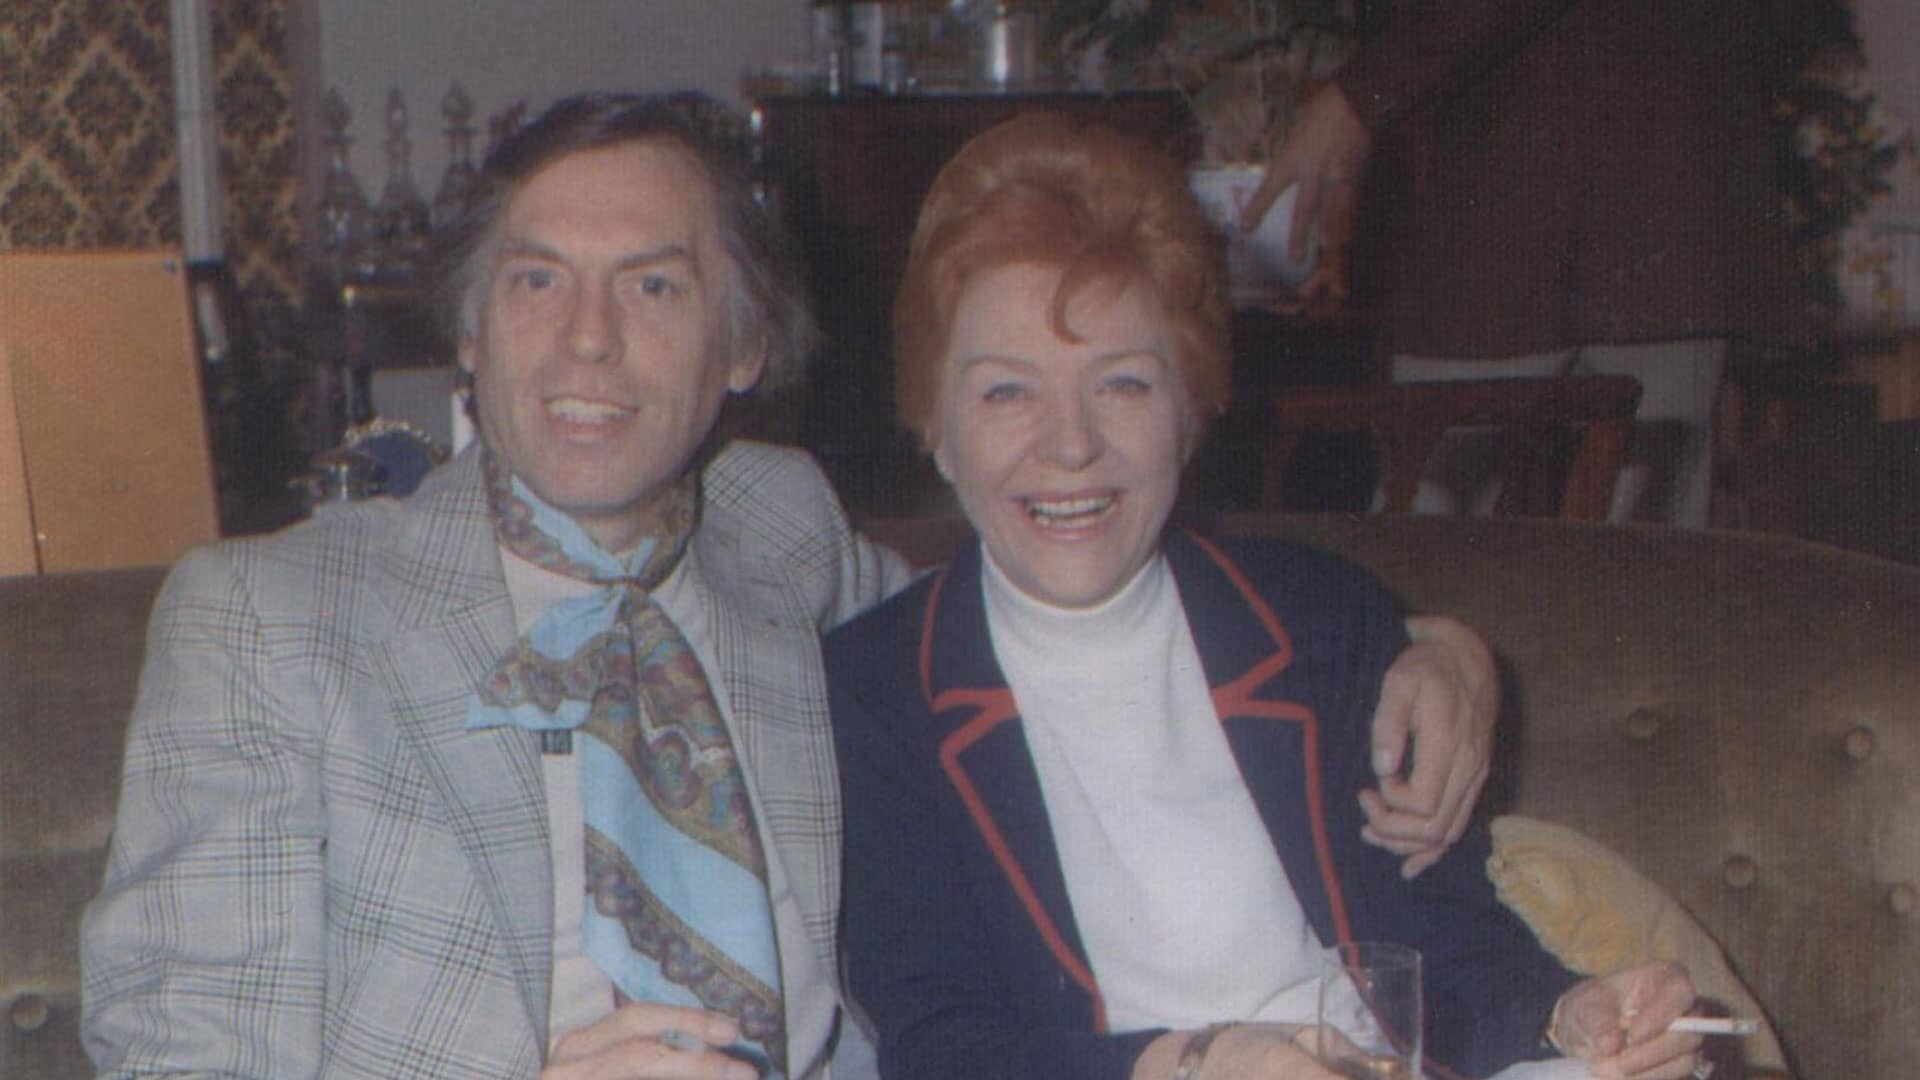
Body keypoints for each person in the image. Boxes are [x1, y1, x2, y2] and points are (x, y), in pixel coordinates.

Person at [81, 94, 1500, 1079]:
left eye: (653, 287)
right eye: (534, 284)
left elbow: (1073, 592)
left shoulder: (790, 539)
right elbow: (182, 1058)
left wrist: (1431, 648)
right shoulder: (268, 620)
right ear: (467, 328)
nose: (588, 346)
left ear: (745, 346)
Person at [827, 112, 1708, 1080]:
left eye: (1121, 385)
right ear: (936, 428)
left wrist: (1575, 1014)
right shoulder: (873, 697)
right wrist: (1198, 1063)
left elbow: (1443, 945)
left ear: (1191, 411)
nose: (1070, 444)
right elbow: (941, 1046)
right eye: (1006, 393)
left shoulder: (1322, 621)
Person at [1246, 1, 1802, 528]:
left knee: (1433, 546)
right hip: (1659, 213)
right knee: (1638, 563)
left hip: (1549, 223)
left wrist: (1356, 100)